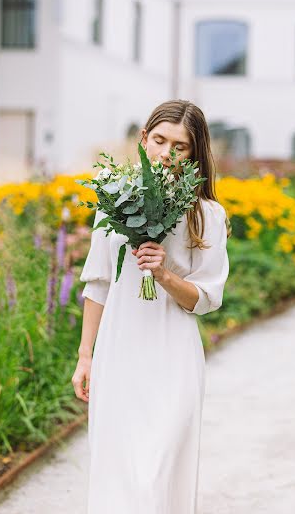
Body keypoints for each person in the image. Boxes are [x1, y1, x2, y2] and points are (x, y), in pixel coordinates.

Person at [71, 99, 231, 513]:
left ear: (195, 155)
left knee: (158, 473)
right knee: (119, 470)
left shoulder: (206, 216)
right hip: (119, 352)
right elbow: (99, 283)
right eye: (159, 140)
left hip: (173, 355)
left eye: (180, 146)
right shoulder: (113, 201)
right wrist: (85, 356)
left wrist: (165, 275)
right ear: (143, 140)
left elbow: (207, 299)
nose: (166, 152)